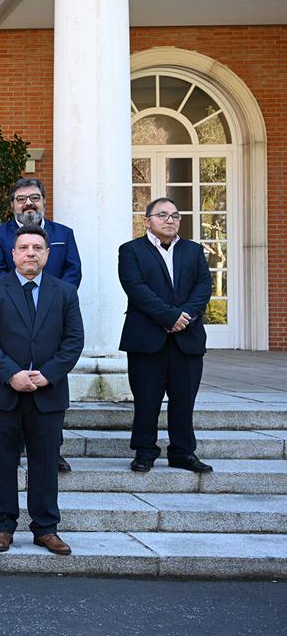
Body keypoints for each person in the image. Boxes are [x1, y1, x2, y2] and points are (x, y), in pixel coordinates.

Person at [0, 225, 84, 555]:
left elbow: (73, 340)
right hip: (3, 393)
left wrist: (47, 375)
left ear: (48, 254)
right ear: (13, 254)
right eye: (24, 247)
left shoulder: (64, 292)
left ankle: (46, 528)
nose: (31, 253)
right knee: (0, 462)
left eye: (38, 247)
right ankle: (3, 526)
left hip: (47, 393)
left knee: (46, 462)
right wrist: (12, 375)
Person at [0, 177, 81, 472]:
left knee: (46, 431)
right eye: (21, 198)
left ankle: (53, 451)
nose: (28, 203)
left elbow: (73, 272)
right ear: (12, 203)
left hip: (53, 317)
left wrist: (54, 299)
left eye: (34, 197)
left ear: (44, 201)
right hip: (10, 318)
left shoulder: (64, 233)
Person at [119, 198, 214, 474]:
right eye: (162, 215)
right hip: (147, 338)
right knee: (146, 398)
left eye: (175, 215)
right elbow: (135, 288)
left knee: (184, 398)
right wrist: (169, 317)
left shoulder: (194, 251)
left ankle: (183, 452)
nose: (170, 220)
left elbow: (203, 287)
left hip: (188, 338)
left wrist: (184, 316)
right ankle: (145, 451)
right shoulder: (131, 251)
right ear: (147, 220)